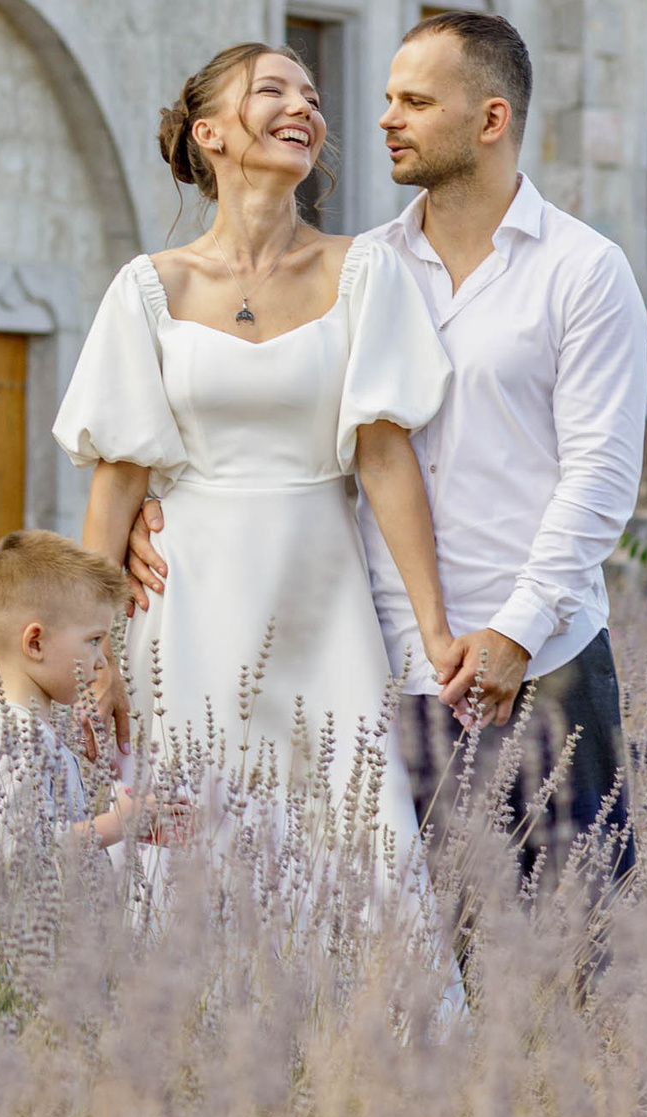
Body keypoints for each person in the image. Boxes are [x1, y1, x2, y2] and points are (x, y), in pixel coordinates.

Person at [130, 12, 647, 887]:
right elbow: (281, 421)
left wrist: (516, 633)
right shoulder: (361, 268)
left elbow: (599, 480)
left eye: (415, 101)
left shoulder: (584, 271)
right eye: (386, 98)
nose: (385, 118)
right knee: (404, 943)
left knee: (580, 936)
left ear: (490, 119)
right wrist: (156, 508)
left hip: (542, 669)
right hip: (375, 667)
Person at [52, 42, 461, 877]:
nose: (304, 107)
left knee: (357, 844)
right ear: (208, 133)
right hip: (186, 607)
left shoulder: (364, 272)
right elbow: (118, 482)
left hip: (325, 605)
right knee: (190, 851)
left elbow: (387, 462)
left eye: (312, 97)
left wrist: (435, 631)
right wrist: (95, 655)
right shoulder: (147, 289)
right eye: (272, 90)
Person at [0, 529, 145, 853]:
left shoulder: (33, 733)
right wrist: (120, 823)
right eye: (93, 640)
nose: (101, 660)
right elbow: (23, 852)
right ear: (35, 644)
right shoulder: (16, 740)